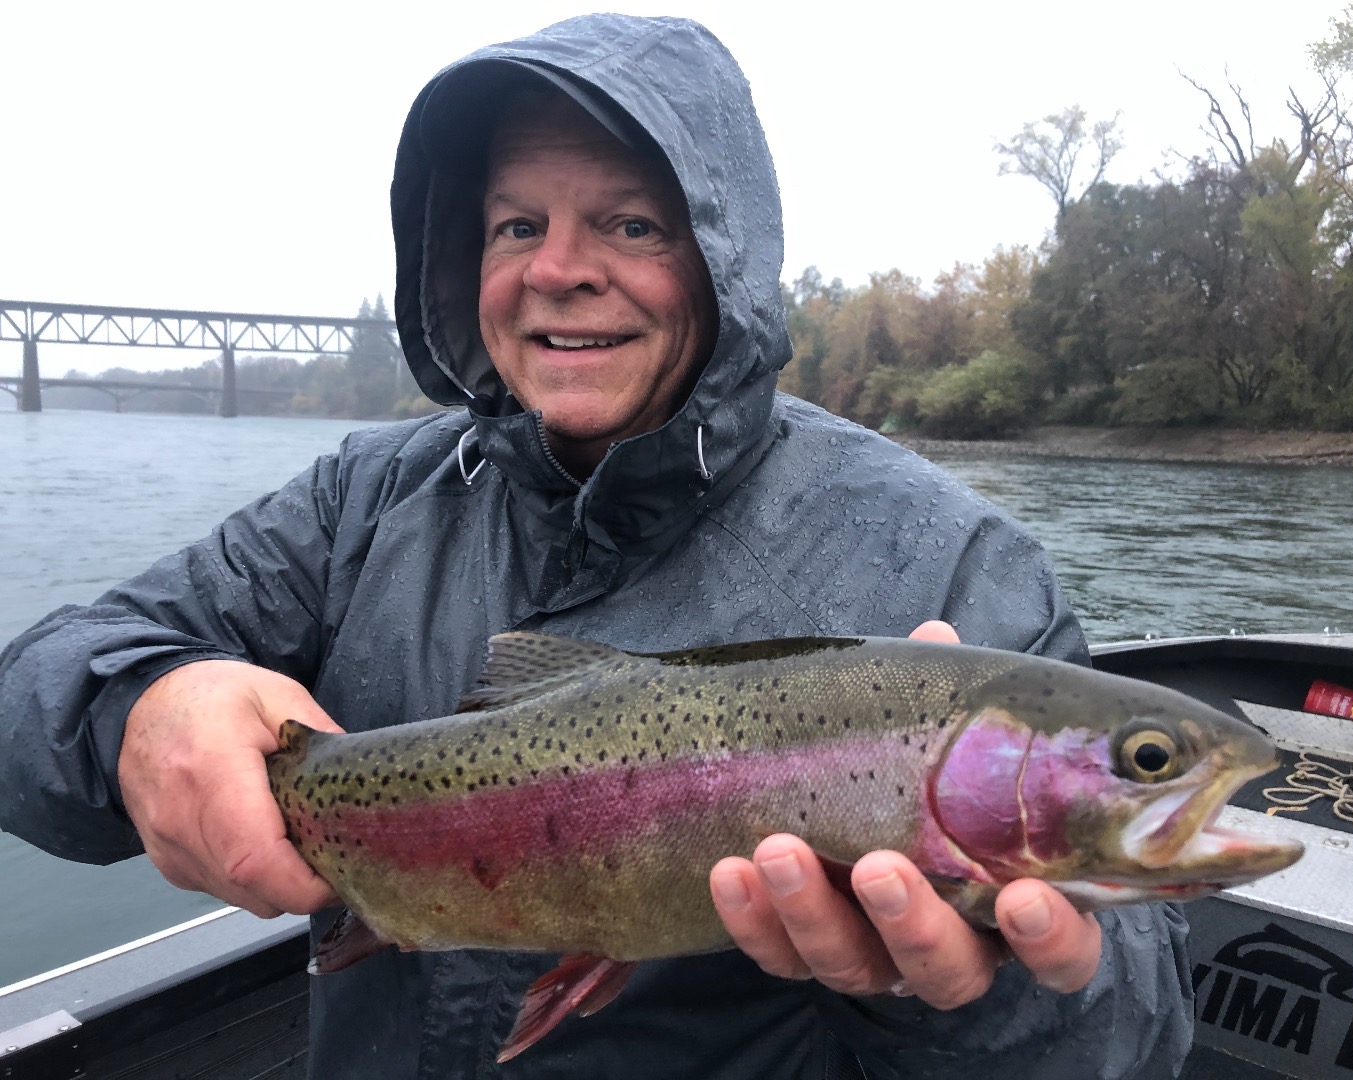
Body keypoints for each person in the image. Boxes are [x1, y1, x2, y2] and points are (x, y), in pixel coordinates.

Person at [0, 13, 1192, 1079]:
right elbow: (31, 699)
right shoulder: (361, 501)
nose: (560, 270)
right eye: (518, 223)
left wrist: (957, 1001)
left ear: (727, 265)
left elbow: (1130, 1030)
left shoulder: (948, 562)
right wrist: (140, 710)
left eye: (629, 222)